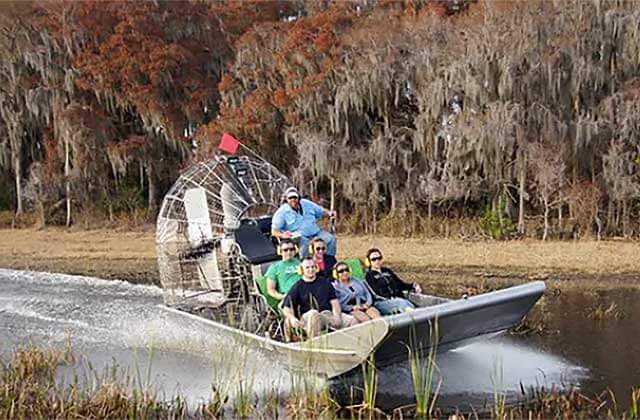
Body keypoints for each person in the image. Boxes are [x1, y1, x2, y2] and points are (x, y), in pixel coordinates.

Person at [282, 257, 356, 339]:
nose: (311, 269)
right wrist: (292, 319)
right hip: (308, 318)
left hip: (326, 315)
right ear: (302, 269)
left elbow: (334, 302)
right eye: (307, 267)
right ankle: (315, 345)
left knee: (353, 321)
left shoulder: (325, 282)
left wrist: (337, 316)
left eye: (313, 266)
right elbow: (286, 307)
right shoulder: (297, 287)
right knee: (314, 314)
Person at [271, 187, 337, 256]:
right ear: (286, 199)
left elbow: (321, 211)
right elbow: (274, 231)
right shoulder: (281, 212)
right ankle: (306, 265)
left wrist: (329, 213)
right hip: (300, 237)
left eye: (295, 197)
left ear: (299, 198)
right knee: (305, 244)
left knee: (331, 239)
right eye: (290, 198)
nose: (293, 200)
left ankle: (328, 262)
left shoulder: (306, 203)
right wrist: (282, 235)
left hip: (316, 233)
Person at [364, 248, 422, 315]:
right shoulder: (368, 276)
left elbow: (400, 284)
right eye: (374, 259)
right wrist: (390, 298)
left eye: (379, 258)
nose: (377, 261)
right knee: (403, 305)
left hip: (398, 300)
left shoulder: (387, 271)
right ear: (368, 262)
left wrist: (413, 285)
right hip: (381, 303)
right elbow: (374, 293)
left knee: (409, 304)